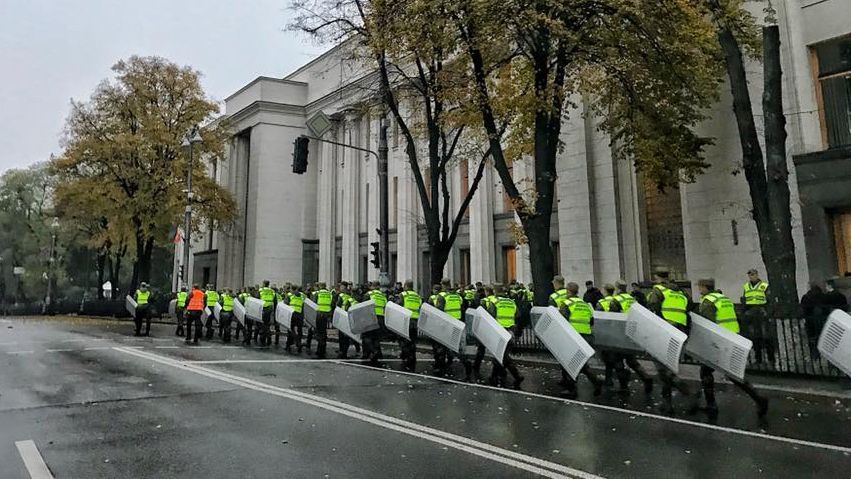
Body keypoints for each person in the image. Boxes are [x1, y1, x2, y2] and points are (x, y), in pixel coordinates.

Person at [696, 279, 769, 417]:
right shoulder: (724, 298)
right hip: (731, 337)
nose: (699, 290)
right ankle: (758, 399)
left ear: (705, 287)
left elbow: (708, 324)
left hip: (719, 340)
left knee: (706, 372)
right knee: (732, 373)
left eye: (700, 287)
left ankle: (712, 405)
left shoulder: (708, 301)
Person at [648, 270, 697, 414]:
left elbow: (652, 306)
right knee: (667, 366)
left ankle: (687, 392)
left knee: (662, 367)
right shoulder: (681, 292)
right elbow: (690, 306)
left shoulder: (658, 290)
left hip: (666, 329)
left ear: (658, 278)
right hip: (680, 330)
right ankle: (666, 403)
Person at [558, 282, 603, 399]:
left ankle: (572, 389)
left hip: (574, 336)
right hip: (587, 336)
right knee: (580, 363)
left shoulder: (566, 303)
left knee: (571, 363)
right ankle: (595, 382)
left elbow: (562, 321)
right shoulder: (585, 304)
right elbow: (592, 320)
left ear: (568, 291)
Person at [484, 284, 524, 388]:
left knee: (501, 356)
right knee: (500, 355)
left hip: (498, 332)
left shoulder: (494, 302)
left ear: (495, 291)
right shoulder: (511, 302)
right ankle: (495, 376)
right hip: (510, 332)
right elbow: (518, 315)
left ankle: (516, 375)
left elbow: (489, 317)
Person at [741, 269, 774, 366]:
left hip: (761, 313)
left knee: (766, 337)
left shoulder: (764, 286)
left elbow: (769, 300)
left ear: (757, 275)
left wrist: (767, 312)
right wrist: (745, 311)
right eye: (750, 275)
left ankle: (770, 358)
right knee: (755, 338)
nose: (751, 276)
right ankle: (758, 359)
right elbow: (745, 300)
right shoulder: (746, 286)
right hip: (751, 313)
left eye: (753, 274)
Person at [434, 279, 462, 376]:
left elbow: (439, 311)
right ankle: (463, 363)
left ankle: (441, 366)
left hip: (446, 324)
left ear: (443, 285)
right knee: (454, 345)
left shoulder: (442, 296)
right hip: (457, 323)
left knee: (442, 346)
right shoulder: (457, 296)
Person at [397, 280, 422, 371]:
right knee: (412, 340)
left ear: (406, 286)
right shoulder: (417, 296)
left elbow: (398, 306)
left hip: (406, 320)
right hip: (415, 321)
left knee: (404, 340)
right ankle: (413, 356)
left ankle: (407, 356)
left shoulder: (403, 295)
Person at [363, 282, 388, 365]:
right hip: (381, 318)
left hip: (371, 317)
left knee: (367, 337)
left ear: (373, 286)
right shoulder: (383, 296)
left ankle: (374, 351)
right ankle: (377, 353)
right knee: (376, 338)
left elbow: (363, 307)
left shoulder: (369, 294)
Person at [310, 282, 333, 359]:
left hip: (319, 314)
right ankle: (323, 348)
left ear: (320, 286)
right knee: (324, 331)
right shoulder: (329, 293)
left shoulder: (318, 293)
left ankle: (320, 349)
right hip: (326, 314)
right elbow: (332, 303)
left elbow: (313, 304)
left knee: (319, 332)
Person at [285, 285, 306, 353]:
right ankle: (298, 343)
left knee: (290, 329)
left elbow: (286, 304)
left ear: (292, 289)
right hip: (300, 314)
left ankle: (291, 344)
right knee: (300, 330)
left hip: (292, 314)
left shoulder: (290, 295)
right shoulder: (302, 295)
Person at [258, 280, 276, 346]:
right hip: (270, 309)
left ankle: (263, 339)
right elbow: (275, 301)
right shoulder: (272, 291)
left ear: (264, 284)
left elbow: (257, 299)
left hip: (263, 308)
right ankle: (269, 339)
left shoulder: (260, 290)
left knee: (262, 324)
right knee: (267, 324)